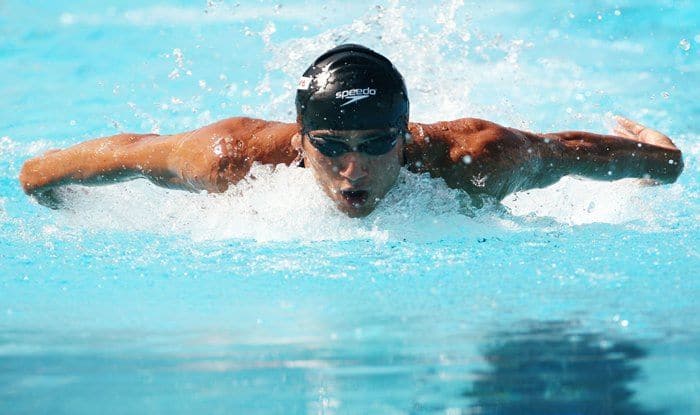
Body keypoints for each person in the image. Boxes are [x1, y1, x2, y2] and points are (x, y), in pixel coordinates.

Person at [19, 44, 683, 217]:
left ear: (405, 136)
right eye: (331, 148)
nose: (353, 170)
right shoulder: (233, 159)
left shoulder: (478, 159)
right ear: (300, 141)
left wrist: (661, 154)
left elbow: (574, 153)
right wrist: (46, 186)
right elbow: (120, 155)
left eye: (375, 145)